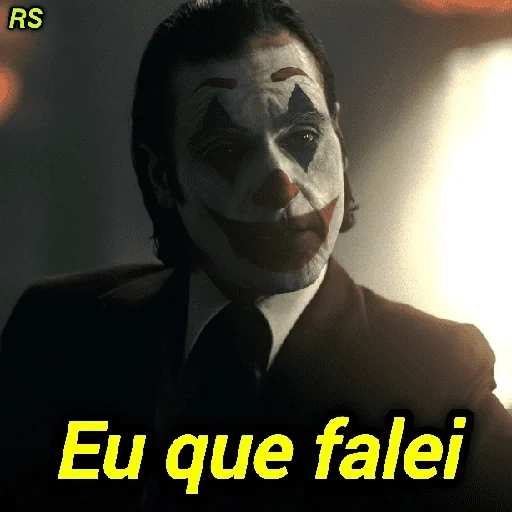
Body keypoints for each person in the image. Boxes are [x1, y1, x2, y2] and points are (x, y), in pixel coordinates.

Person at [1, 1, 511, 511]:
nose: (281, 184)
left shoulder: (435, 376)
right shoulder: (54, 329)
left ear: (338, 136)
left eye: (303, 136)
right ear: (162, 177)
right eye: (226, 149)